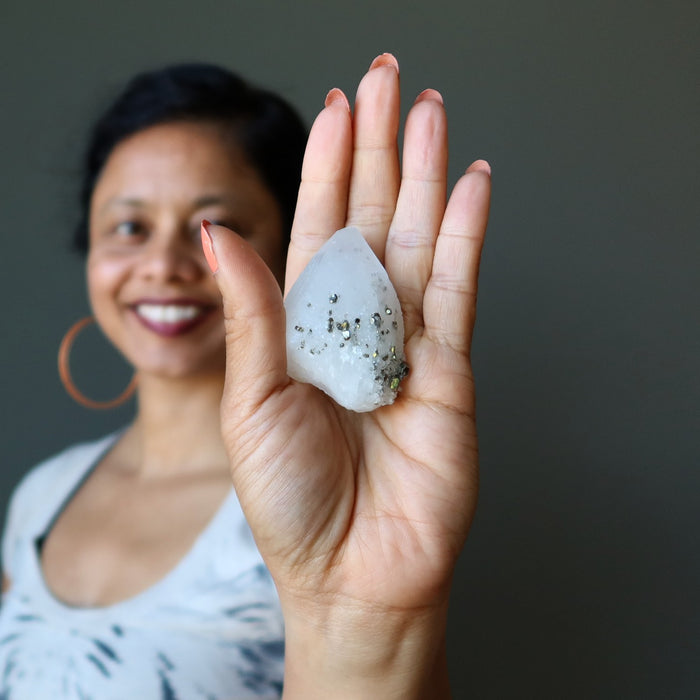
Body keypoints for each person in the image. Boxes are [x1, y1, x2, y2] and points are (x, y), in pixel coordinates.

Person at [0, 53, 491, 699]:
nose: (164, 265)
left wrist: (359, 620)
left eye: (215, 227)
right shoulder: (42, 496)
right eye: (128, 227)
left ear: (289, 252)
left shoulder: (324, 494)